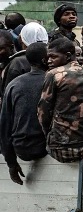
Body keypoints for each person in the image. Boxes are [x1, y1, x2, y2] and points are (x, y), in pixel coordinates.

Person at [37, 38, 83, 163]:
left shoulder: (54, 74)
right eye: (48, 57)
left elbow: (43, 111)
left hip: (61, 146)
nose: (49, 61)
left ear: (68, 56)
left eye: (53, 57)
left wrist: (47, 134)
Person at [1, 42, 49, 184]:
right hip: (45, 146)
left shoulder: (14, 84)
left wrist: (11, 163)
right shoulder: (52, 81)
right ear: (46, 60)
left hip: (21, 147)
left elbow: (4, 126)